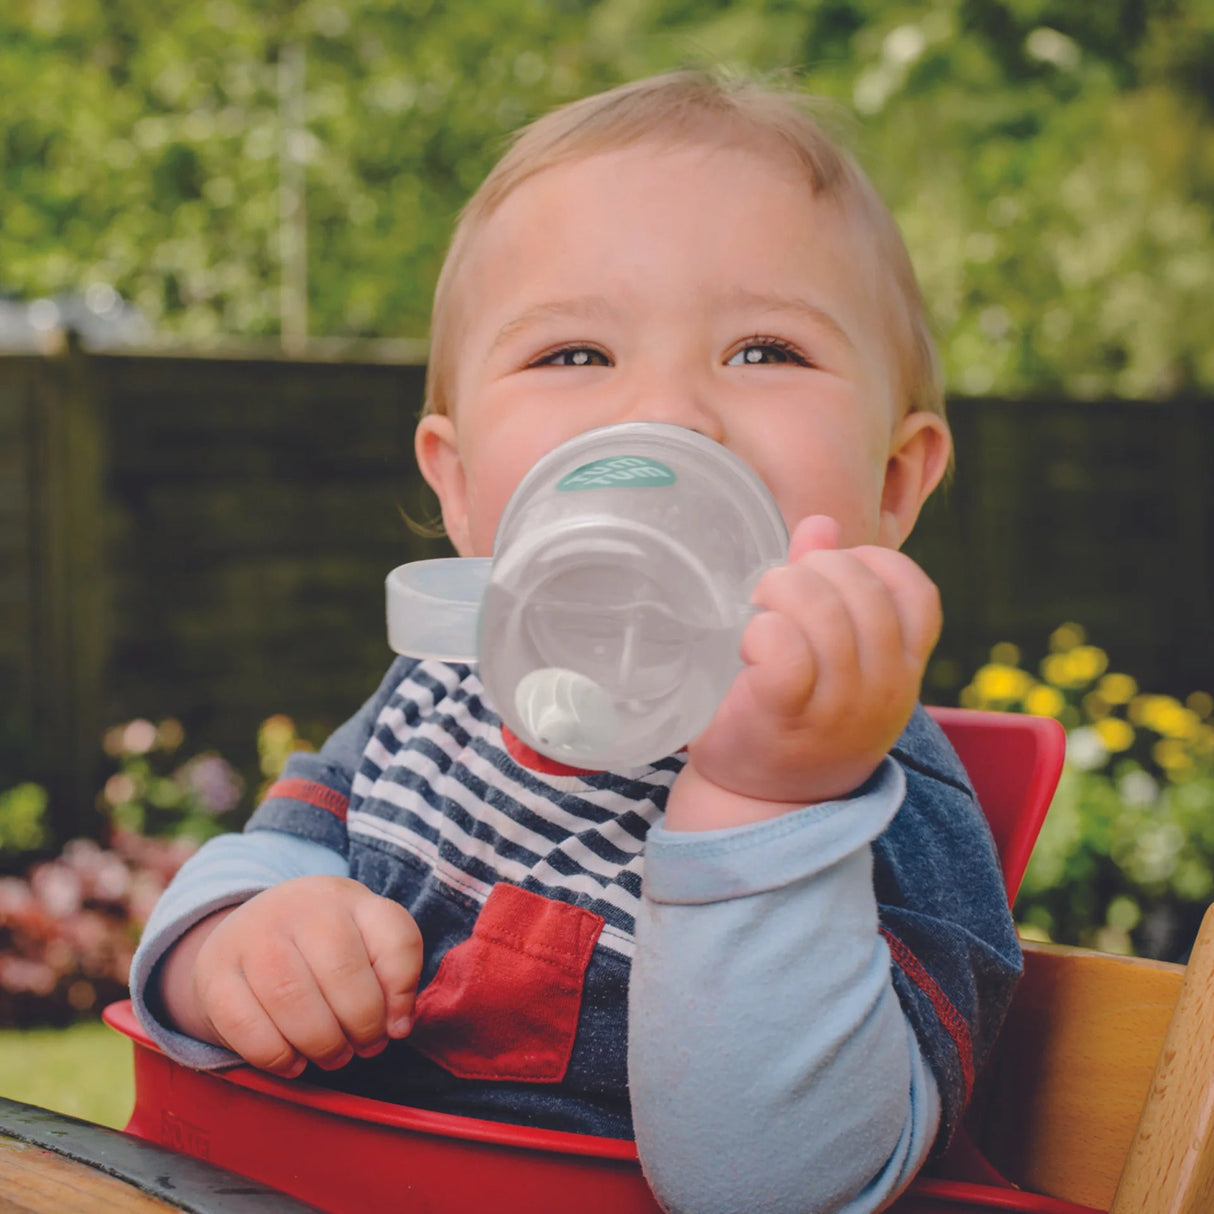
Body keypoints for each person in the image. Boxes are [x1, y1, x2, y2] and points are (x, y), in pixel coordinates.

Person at [130, 71, 1020, 1214]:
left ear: (892, 483)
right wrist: (243, 942)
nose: (661, 415)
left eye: (761, 350)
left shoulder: (879, 799)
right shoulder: (433, 698)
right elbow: (271, 854)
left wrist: (768, 798)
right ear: (457, 488)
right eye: (572, 355)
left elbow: (776, 1184)